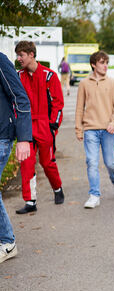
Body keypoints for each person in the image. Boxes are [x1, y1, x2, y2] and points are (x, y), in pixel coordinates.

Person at [15, 41, 65, 214]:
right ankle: (30, 201)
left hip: (45, 125)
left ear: (31, 54)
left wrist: (53, 126)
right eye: (18, 55)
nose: (18, 58)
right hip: (26, 126)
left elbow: (58, 103)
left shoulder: (49, 75)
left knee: (47, 162)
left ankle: (57, 188)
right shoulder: (18, 76)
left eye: (21, 55)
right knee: (26, 163)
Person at [75, 50, 114, 208]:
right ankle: (94, 195)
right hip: (90, 129)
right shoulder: (84, 84)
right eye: (102, 63)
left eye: (107, 63)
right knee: (91, 162)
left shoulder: (112, 83)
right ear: (93, 64)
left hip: (108, 129)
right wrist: (78, 129)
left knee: (110, 162)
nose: (105, 66)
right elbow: (79, 108)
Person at [0, 52, 32, 263]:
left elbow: (20, 97)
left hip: (1, 135)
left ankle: (7, 242)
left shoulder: (0, 60)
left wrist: (23, 138)